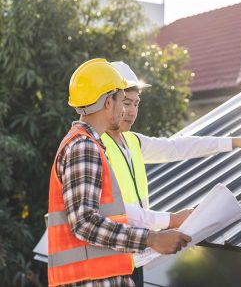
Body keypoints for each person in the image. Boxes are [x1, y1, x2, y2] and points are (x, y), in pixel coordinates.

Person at [101, 61, 241, 287]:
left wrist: (234, 141)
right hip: (109, 263)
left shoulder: (132, 141)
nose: (131, 111)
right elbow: (114, 209)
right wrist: (171, 220)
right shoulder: (96, 146)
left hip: (133, 259)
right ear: (109, 102)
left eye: (136, 103)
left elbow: (178, 147)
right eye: (126, 102)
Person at [47, 58, 191, 287]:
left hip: (98, 277)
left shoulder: (88, 145)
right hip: (89, 280)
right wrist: (151, 238)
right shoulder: (84, 147)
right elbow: (84, 222)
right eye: (122, 101)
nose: (125, 109)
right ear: (108, 103)